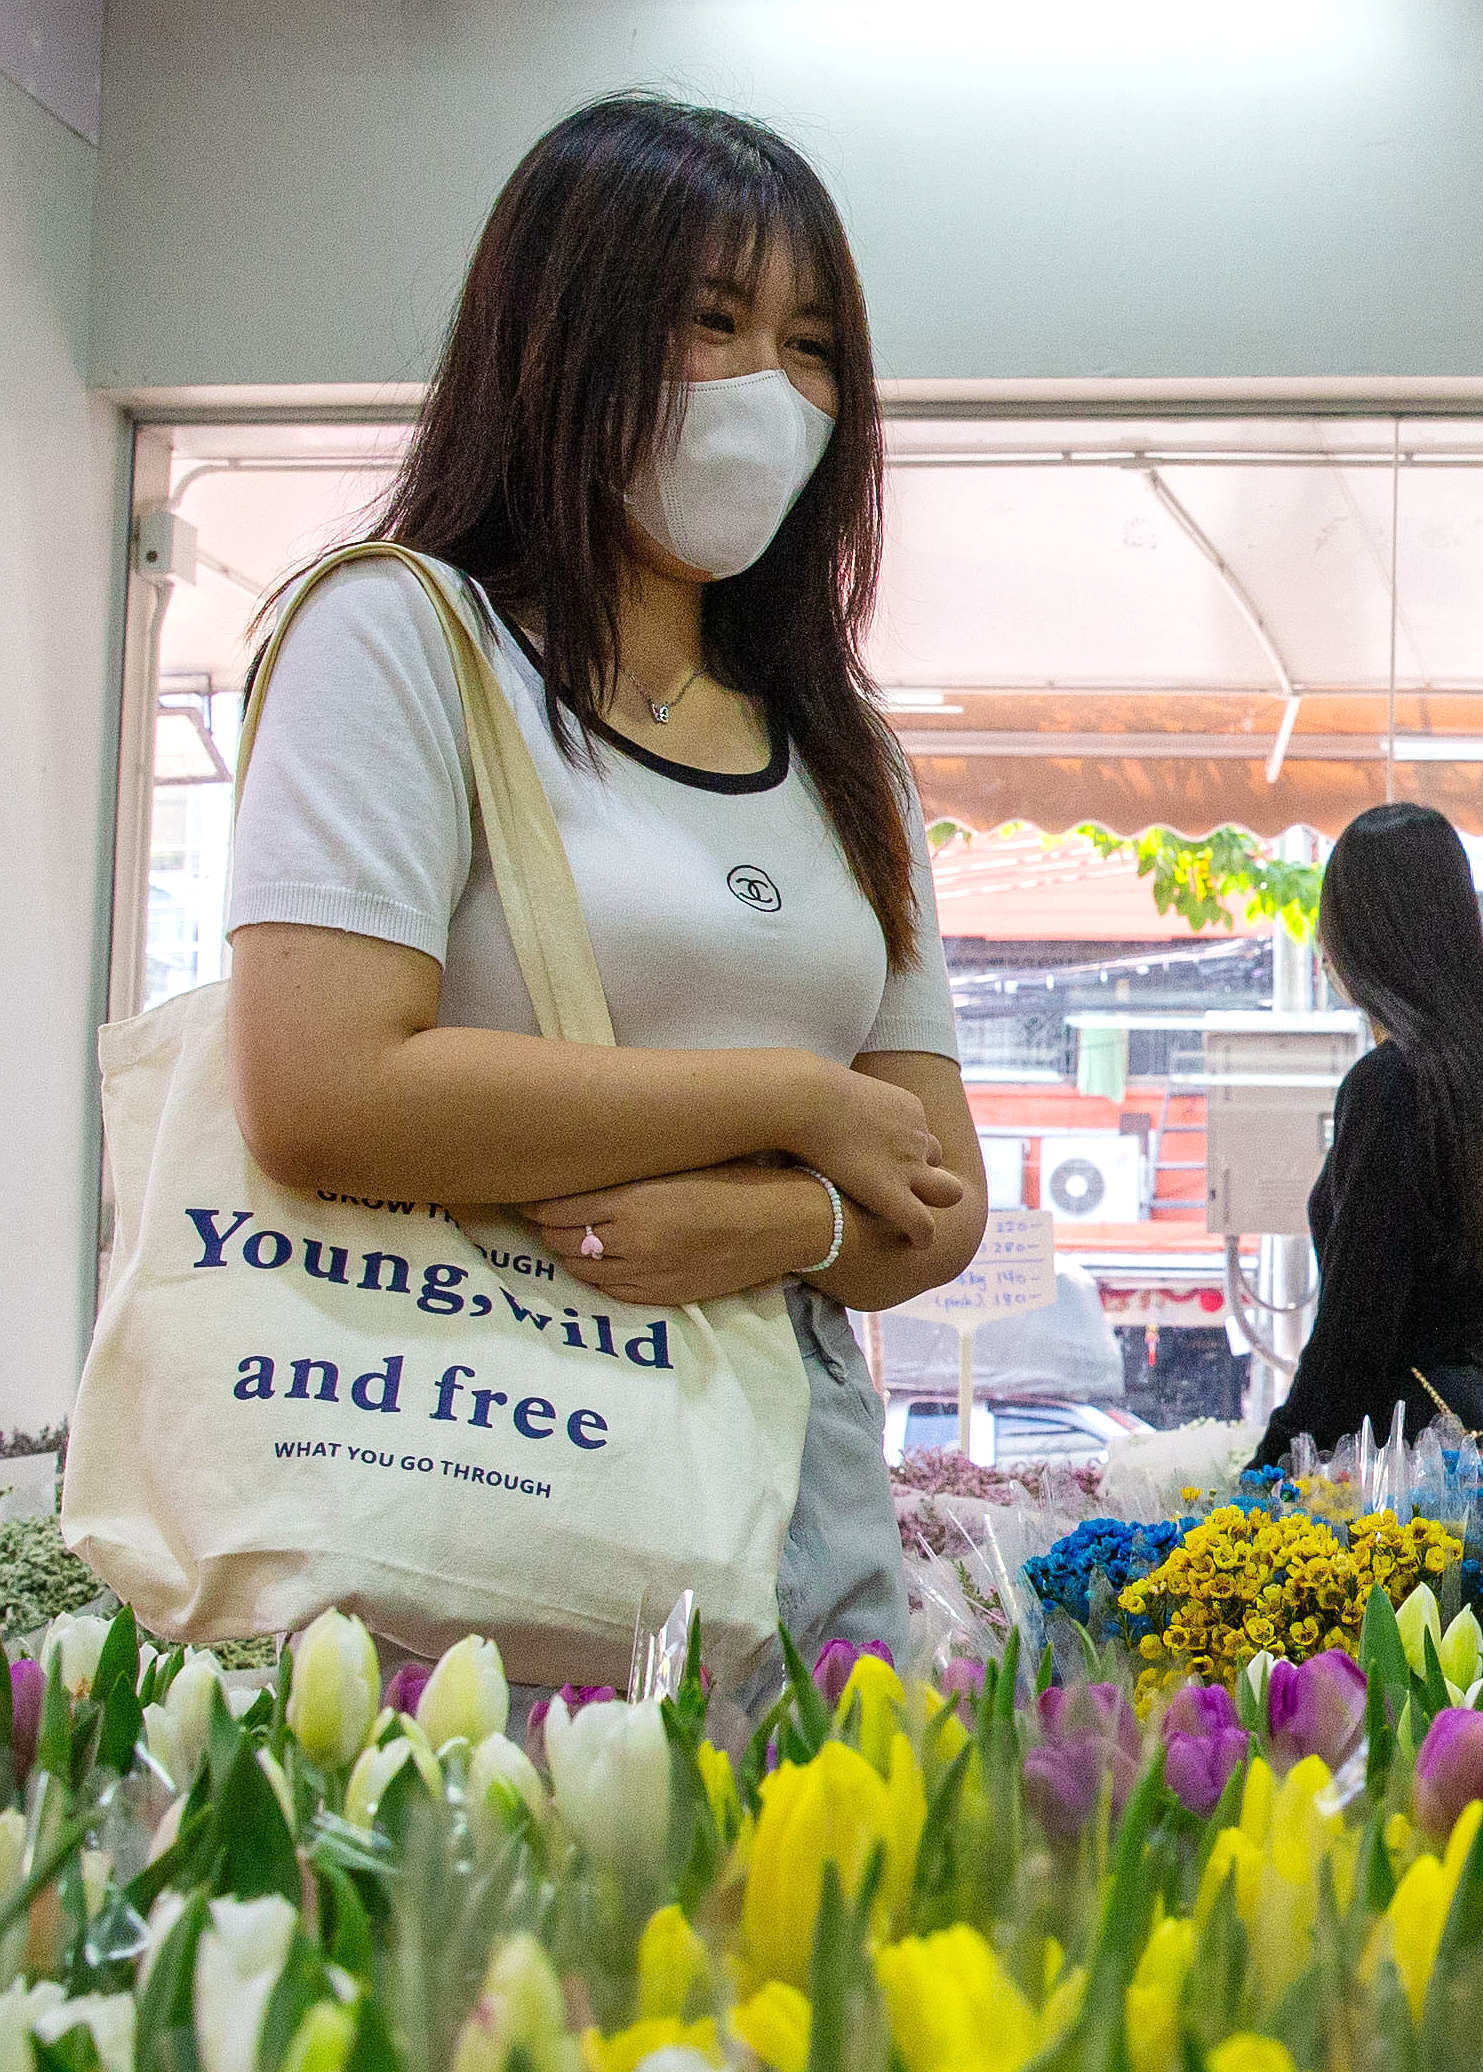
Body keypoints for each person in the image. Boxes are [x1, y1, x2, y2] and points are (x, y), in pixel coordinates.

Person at [223, 95, 982, 1668]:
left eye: (812, 346)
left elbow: (937, 1200)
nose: (769, 390)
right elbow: (320, 1086)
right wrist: (791, 1099)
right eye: (711, 323)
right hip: (470, 1465)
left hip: (802, 1508)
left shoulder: (845, 752)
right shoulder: (404, 642)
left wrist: (782, 1229)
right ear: (561, 333)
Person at [1252, 804, 1483, 1466]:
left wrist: (1253, 1483)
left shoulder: (1391, 1086)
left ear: (1359, 937)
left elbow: (1355, 1334)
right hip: (1466, 1441)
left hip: (1398, 1463)